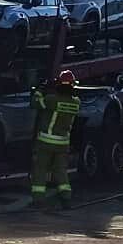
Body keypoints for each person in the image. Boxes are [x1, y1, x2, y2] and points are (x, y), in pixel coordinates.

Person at [30, 69, 82, 209]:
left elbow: (35, 103)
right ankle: (66, 199)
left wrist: (40, 89)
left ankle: (38, 200)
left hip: (46, 141)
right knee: (60, 171)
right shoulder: (76, 103)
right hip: (63, 143)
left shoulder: (51, 100)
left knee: (41, 169)